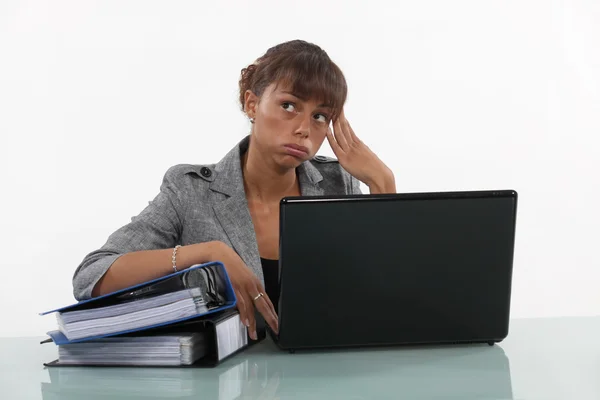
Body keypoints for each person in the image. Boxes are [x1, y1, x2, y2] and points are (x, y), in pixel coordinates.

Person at [72, 39, 396, 340]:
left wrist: (382, 183)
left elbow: (384, 299)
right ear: (252, 104)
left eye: (320, 116)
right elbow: (91, 277)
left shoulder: (337, 184)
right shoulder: (190, 190)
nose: (303, 129)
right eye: (289, 105)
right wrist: (205, 253)